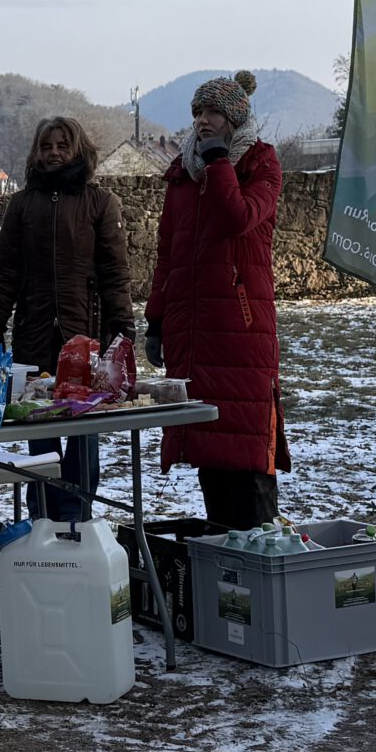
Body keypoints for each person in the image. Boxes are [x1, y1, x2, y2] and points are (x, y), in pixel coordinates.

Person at [144, 70, 287, 530]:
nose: (203, 121)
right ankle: (222, 555)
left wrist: (219, 162)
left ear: (235, 118)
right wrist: (156, 319)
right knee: (208, 446)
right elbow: (168, 253)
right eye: (198, 112)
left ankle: (261, 550)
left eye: (213, 112)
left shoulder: (261, 163)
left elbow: (236, 218)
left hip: (240, 329)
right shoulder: (182, 173)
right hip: (193, 330)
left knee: (245, 449)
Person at [0, 116, 133, 522]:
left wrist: (123, 331)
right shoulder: (21, 205)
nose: (54, 153)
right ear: (37, 152)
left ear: (78, 150)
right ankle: (45, 517)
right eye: (47, 146)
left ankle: (78, 517)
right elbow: (7, 274)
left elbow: (115, 274)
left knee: (83, 434)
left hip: (86, 335)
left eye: (63, 145)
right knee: (40, 432)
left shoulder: (100, 202)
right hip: (33, 334)